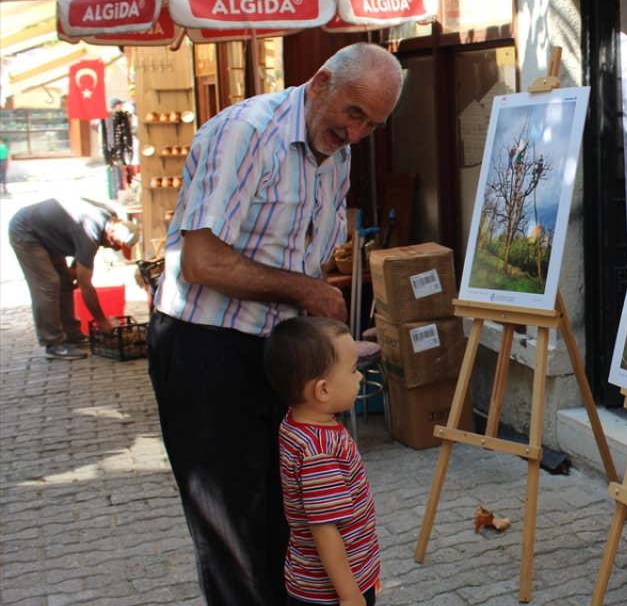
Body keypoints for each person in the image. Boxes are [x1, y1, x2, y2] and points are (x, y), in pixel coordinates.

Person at [147, 42, 403, 606]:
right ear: (319, 84)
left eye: (372, 125)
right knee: (233, 529)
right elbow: (202, 262)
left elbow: (310, 254)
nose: (357, 133)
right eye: (353, 113)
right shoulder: (244, 133)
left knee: (290, 517)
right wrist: (306, 291)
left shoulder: (338, 148)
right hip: (204, 344)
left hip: (274, 346)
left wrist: (335, 343)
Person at [265, 317, 380, 606]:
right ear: (323, 391)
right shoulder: (319, 451)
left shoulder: (296, 424)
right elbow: (324, 529)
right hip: (330, 593)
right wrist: (349, 594)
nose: (359, 377)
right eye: (353, 371)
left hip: (322, 582)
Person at [8, 197, 139, 359]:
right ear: (111, 233)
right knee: (48, 284)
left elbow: (84, 247)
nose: (116, 248)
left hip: (49, 236)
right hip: (27, 232)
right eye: (117, 244)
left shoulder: (110, 220)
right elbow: (85, 284)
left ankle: (72, 335)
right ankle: (53, 343)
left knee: (65, 282)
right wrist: (101, 321)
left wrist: (73, 269)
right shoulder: (90, 229)